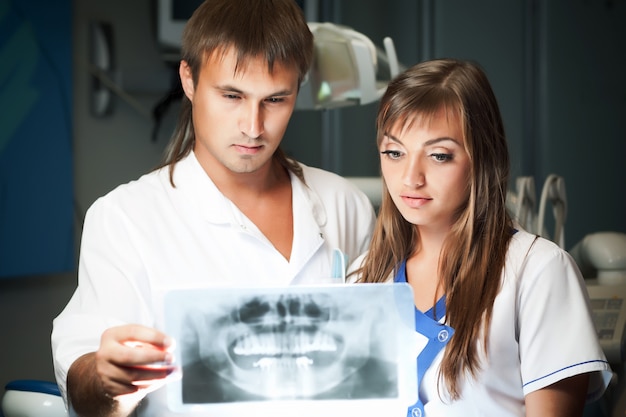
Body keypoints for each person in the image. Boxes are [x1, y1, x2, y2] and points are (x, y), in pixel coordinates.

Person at [51, 1, 375, 416]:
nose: (253, 126)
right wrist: (105, 375)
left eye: (275, 99)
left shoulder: (344, 204)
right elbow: (85, 386)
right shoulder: (123, 218)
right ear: (189, 79)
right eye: (232, 96)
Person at [349, 58, 612, 416]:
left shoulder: (538, 271)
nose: (411, 177)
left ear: (482, 158)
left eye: (439, 156)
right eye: (394, 153)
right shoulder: (362, 276)